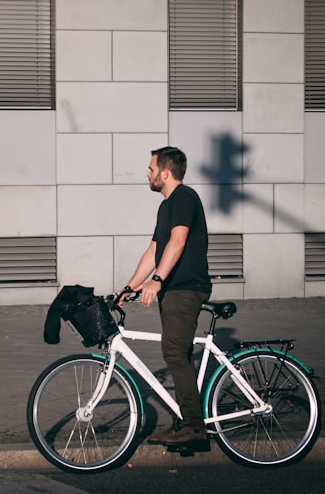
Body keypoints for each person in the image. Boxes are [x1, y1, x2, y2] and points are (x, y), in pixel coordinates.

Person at [120, 146, 212, 450]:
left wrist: (157, 280)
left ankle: (194, 429)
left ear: (165, 172)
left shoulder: (184, 198)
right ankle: (185, 421)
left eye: (151, 168)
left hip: (185, 287)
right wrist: (129, 287)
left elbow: (178, 240)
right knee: (179, 354)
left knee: (173, 352)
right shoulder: (166, 206)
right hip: (173, 290)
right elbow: (154, 250)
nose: (147, 173)